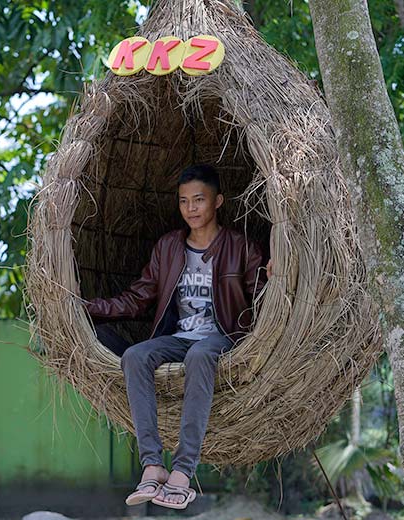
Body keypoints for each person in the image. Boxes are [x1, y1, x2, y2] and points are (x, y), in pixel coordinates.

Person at [85, 165, 271, 509]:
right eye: (184, 201)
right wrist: (86, 307)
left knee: (200, 355)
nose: (191, 208)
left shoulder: (240, 247)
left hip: (223, 336)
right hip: (179, 337)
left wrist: (278, 277)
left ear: (217, 201)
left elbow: (262, 298)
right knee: (136, 356)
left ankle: (183, 472)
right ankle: (153, 465)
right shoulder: (169, 247)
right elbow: (138, 297)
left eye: (199, 200)